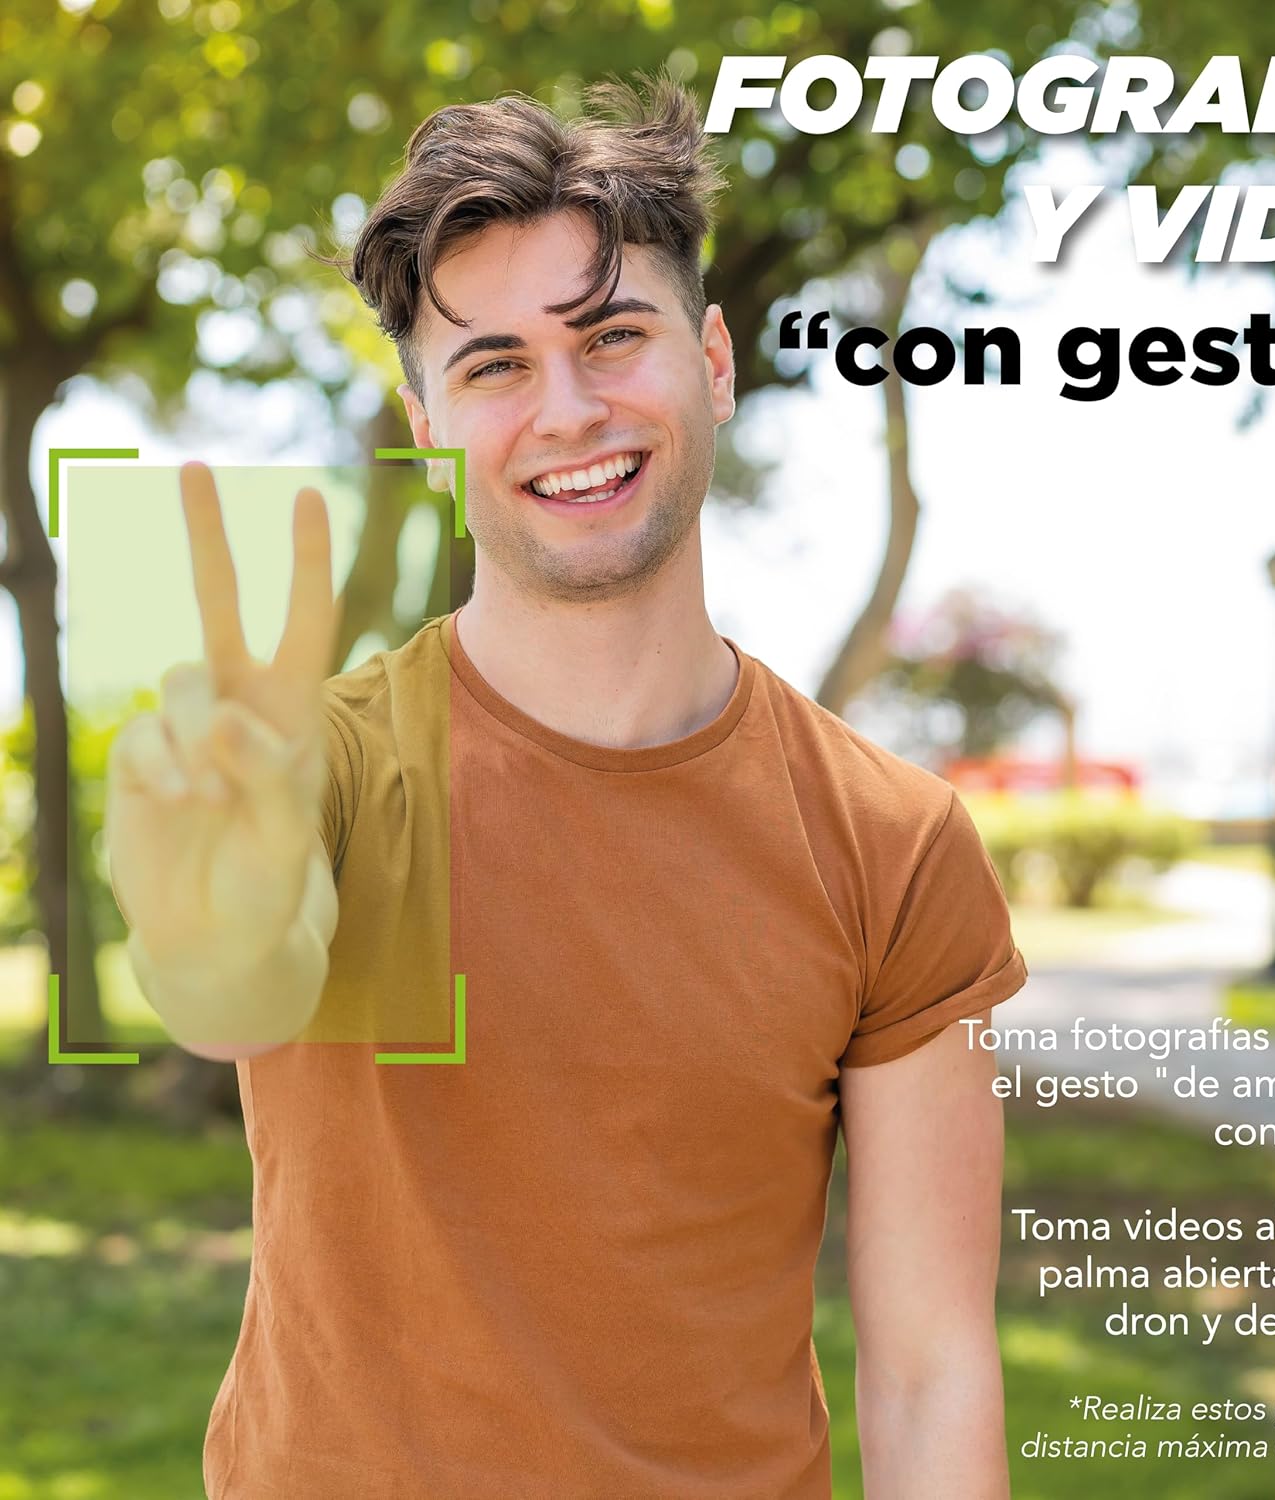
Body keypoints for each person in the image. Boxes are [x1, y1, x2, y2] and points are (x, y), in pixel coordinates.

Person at [105, 69, 1028, 1500]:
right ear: (425, 421)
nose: (569, 407)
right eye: (493, 366)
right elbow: (235, 985)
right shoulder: (326, 772)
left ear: (713, 360)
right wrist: (197, 916)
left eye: (612, 336)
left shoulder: (893, 845)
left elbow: (929, 1374)